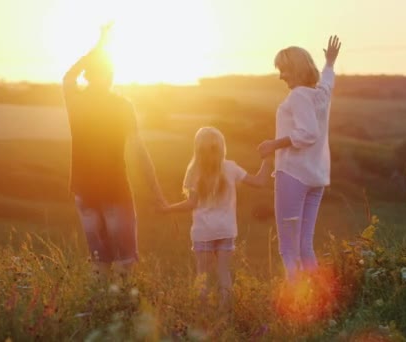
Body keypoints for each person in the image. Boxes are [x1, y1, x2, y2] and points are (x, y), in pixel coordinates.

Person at [63, 24, 165, 277]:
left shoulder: (76, 103)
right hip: (114, 187)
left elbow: (68, 77)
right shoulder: (122, 106)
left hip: (84, 188)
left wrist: (98, 45)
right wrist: (157, 193)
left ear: (87, 75)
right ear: (111, 76)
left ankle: (99, 309)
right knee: (125, 260)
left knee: (99, 260)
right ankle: (122, 309)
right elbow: (139, 151)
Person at [257, 36, 341, 281]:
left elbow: (308, 133)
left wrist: (274, 144)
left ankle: (296, 303)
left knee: (288, 248)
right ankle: (317, 299)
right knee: (305, 245)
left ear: (296, 69)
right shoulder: (319, 96)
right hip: (316, 178)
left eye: (284, 70)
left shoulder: (298, 96)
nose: (281, 76)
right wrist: (330, 63)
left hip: (293, 175)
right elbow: (327, 84)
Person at [161, 126, 272, 309]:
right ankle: (225, 311)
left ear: (197, 149)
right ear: (222, 147)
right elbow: (260, 181)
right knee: (223, 272)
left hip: (203, 231)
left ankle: (201, 312)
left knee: (202, 274)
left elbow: (191, 204)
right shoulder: (231, 168)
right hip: (226, 230)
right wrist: (268, 159)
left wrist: (167, 209)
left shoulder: (193, 171)